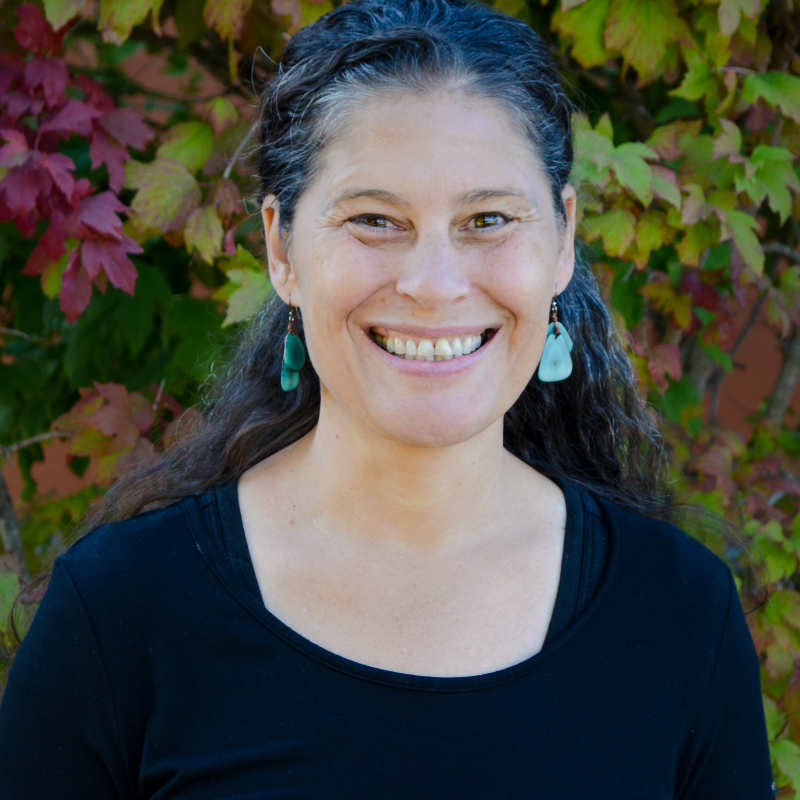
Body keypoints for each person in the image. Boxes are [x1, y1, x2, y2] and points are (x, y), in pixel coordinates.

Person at [0, 0, 774, 797]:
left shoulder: (679, 615)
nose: (433, 284)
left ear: (562, 240)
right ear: (280, 248)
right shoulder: (122, 613)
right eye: (374, 219)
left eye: (488, 219)